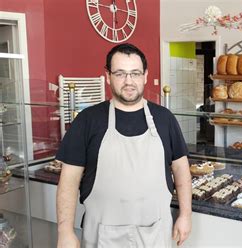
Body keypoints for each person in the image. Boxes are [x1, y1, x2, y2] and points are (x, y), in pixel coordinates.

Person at [56, 43, 192, 248]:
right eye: (120, 73)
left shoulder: (165, 119)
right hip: (101, 236)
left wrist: (185, 215)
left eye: (135, 73)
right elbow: (68, 181)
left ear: (145, 75)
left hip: (155, 234)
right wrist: (65, 232)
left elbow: (181, 170)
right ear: (108, 75)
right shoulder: (87, 120)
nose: (129, 81)